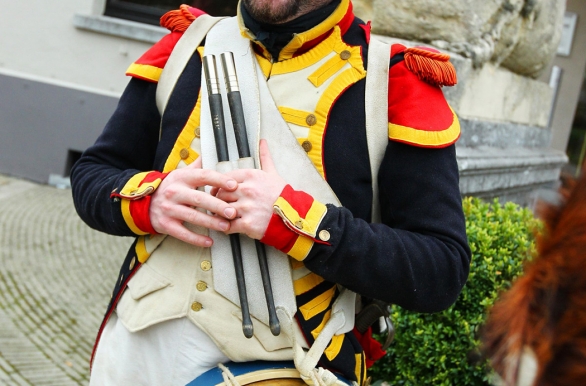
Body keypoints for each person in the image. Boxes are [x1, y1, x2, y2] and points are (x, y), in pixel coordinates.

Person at [71, 0, 471, 384]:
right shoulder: (185, 47)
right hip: (132, 350)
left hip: (282, 367)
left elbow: (440, 268)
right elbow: (92, 173)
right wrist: (151, 200)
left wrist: (294, 221)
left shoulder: (395, 81)